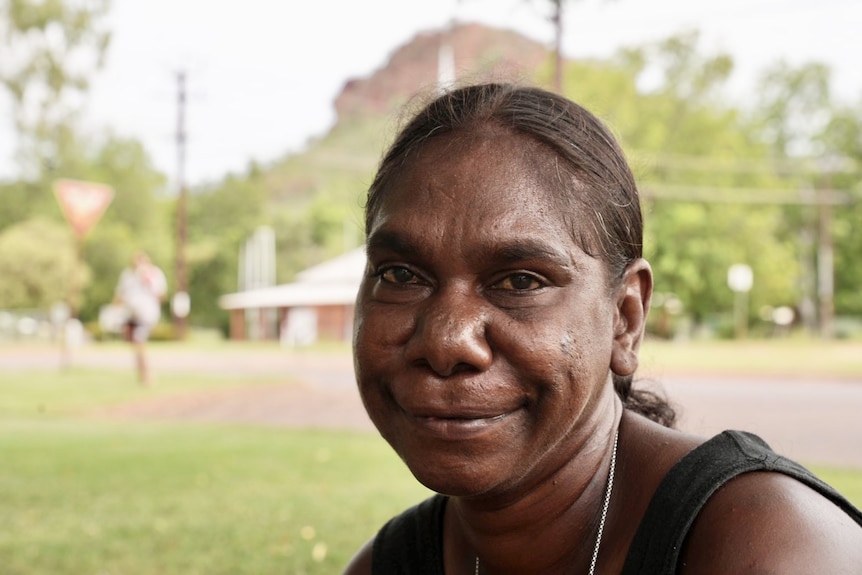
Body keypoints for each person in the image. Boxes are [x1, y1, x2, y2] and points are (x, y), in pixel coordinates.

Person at [344, 83, 862, 574]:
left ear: (625, 318)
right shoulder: (387, 565)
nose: (446, 340)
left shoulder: (766, 547)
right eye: (401, 275)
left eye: (521, 281)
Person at [114, 251, 167, 385]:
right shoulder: (127, 275)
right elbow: (120, 294)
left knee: (139, 342)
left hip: (146, 315)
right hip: (131, 314)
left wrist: (147, 281)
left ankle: (146, 376)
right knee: (135, 344)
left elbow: (161, 295)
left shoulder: (155, 274)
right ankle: (144, 373)